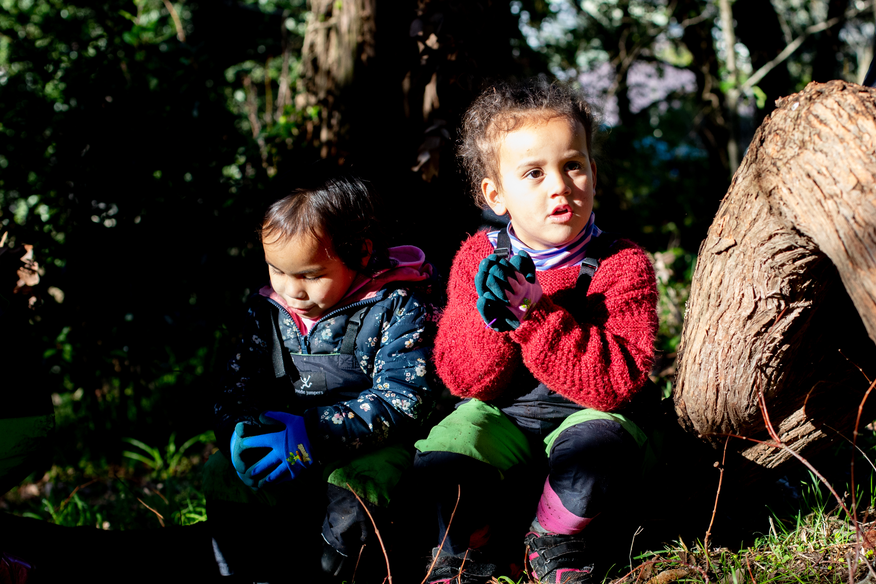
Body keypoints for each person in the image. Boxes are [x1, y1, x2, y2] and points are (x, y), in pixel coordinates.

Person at [414, 78, 659, 584]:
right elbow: (464, 382)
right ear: (495, 195)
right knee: (446, 451)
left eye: (573, 165)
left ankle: (557, 543)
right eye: (533, 172)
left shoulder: (622, 263)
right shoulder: (479, 257)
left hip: (588, 418)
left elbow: (616, 384)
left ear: (593, 171)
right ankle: (472, 552)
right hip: (504, 418)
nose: (560, 185)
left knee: (599, 450)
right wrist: (495, 319)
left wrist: (536, 315)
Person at [206, 171, 440, 583]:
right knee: (223, 475)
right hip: (287, 447)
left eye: (311, 275)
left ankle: (337, 572)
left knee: (357, 490)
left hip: (371, 450)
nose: (291, 289)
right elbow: (235, 386)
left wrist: (314, 431)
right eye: (277, 271)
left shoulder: (395, 306)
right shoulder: (266, 312)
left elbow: (405, 399)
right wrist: (236, 432)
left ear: (360, 252)